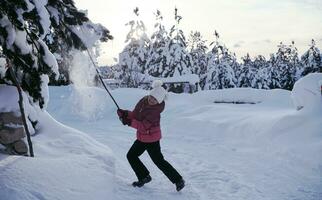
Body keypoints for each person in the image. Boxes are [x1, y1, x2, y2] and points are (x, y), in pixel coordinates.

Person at [117, 80, 185, 192]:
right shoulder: (144, 101)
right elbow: (135, 114)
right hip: (142, 137)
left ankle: (178, 180)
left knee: (159, 161)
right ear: (150, 93)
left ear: (159, 101)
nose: (152, 100)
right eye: (152, 97)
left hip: (152, 139)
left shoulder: (155, 111)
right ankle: (144, 176)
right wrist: (125, 113)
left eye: (155, 99)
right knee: (131, 156)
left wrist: (129, 122)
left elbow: (143, 126)